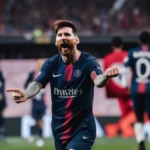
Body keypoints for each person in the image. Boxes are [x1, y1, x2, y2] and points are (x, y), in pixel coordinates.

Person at [7, 20, 119, 150]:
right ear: (56, 42)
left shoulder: (89, 62)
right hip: (60, 130)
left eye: (67, 34)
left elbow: (98, 81)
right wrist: (26, 94)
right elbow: (38, 84)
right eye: (59, 35)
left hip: (83, 128)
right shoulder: (51, 64)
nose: (63, 37)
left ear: (76, 40)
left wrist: (105, 77)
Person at [124, 31, 150, 150]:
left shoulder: (132, 52)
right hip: (149, 88)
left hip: (136, 89)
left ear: (139, 41)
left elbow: (124, 70)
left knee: (139, 117)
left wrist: (126, 86)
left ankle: (141, 143)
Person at [24, 59, 46, 147]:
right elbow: (25, 84)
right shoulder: (31, 74)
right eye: (38, 64)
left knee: (40, 120)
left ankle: (40, 138)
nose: (39, 65)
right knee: (35, 119)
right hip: (34, 101)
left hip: (42, 101)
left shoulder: (45, 74)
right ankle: (34, 134)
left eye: (41, 64)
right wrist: (29, 93)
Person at [0, 69, 6, 141]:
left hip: (1, 99)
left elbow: (3, 84)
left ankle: (1, 133)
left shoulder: (1, 73)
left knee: (2, 116)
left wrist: (1, 93)